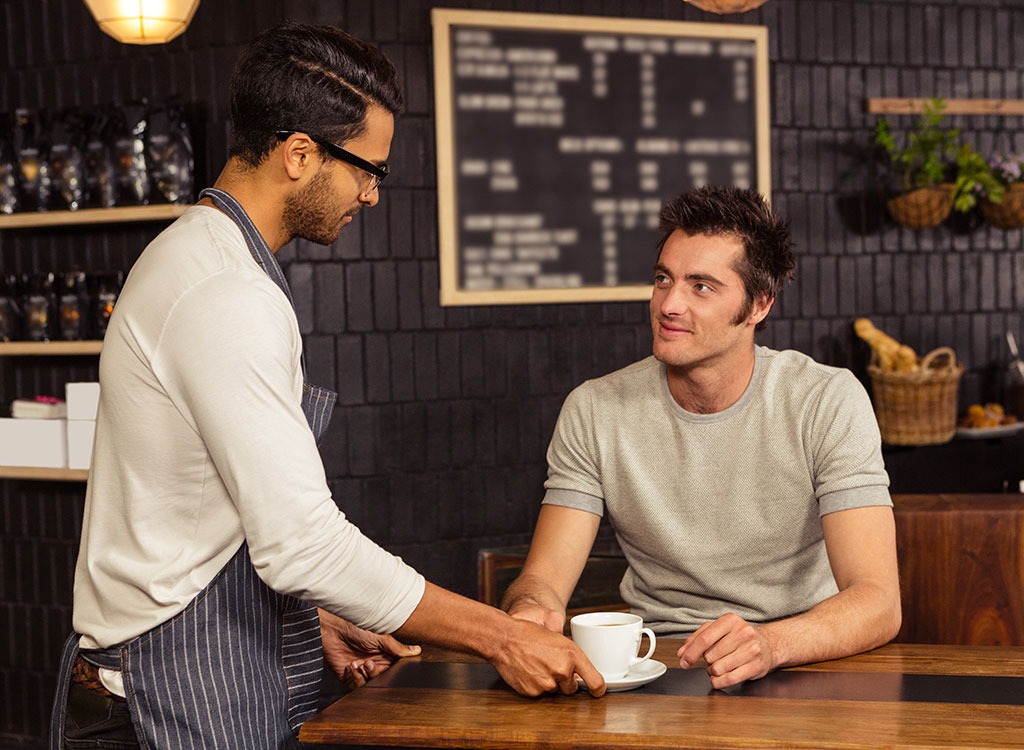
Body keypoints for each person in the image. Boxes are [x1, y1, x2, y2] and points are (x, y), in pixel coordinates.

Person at [50, 21, 604, 750]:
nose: (371, 194)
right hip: (169, 690)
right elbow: (302, 544)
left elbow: (204, 515)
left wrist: (317, 618)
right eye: (367, 168)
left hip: (189, 666)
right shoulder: (227, 294)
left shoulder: (201, 257)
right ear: (300, 154)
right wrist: (499, 636)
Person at [501, 186, 902, 690]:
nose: (669, 304)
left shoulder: (826, 400)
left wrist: (772, 643)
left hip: (803, 657)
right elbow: (544, 580)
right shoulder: (594, 409)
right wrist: (529, 611)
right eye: (663, 279)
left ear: (759, 305)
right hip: (660, 662)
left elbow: (879, 602)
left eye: (702, 287)